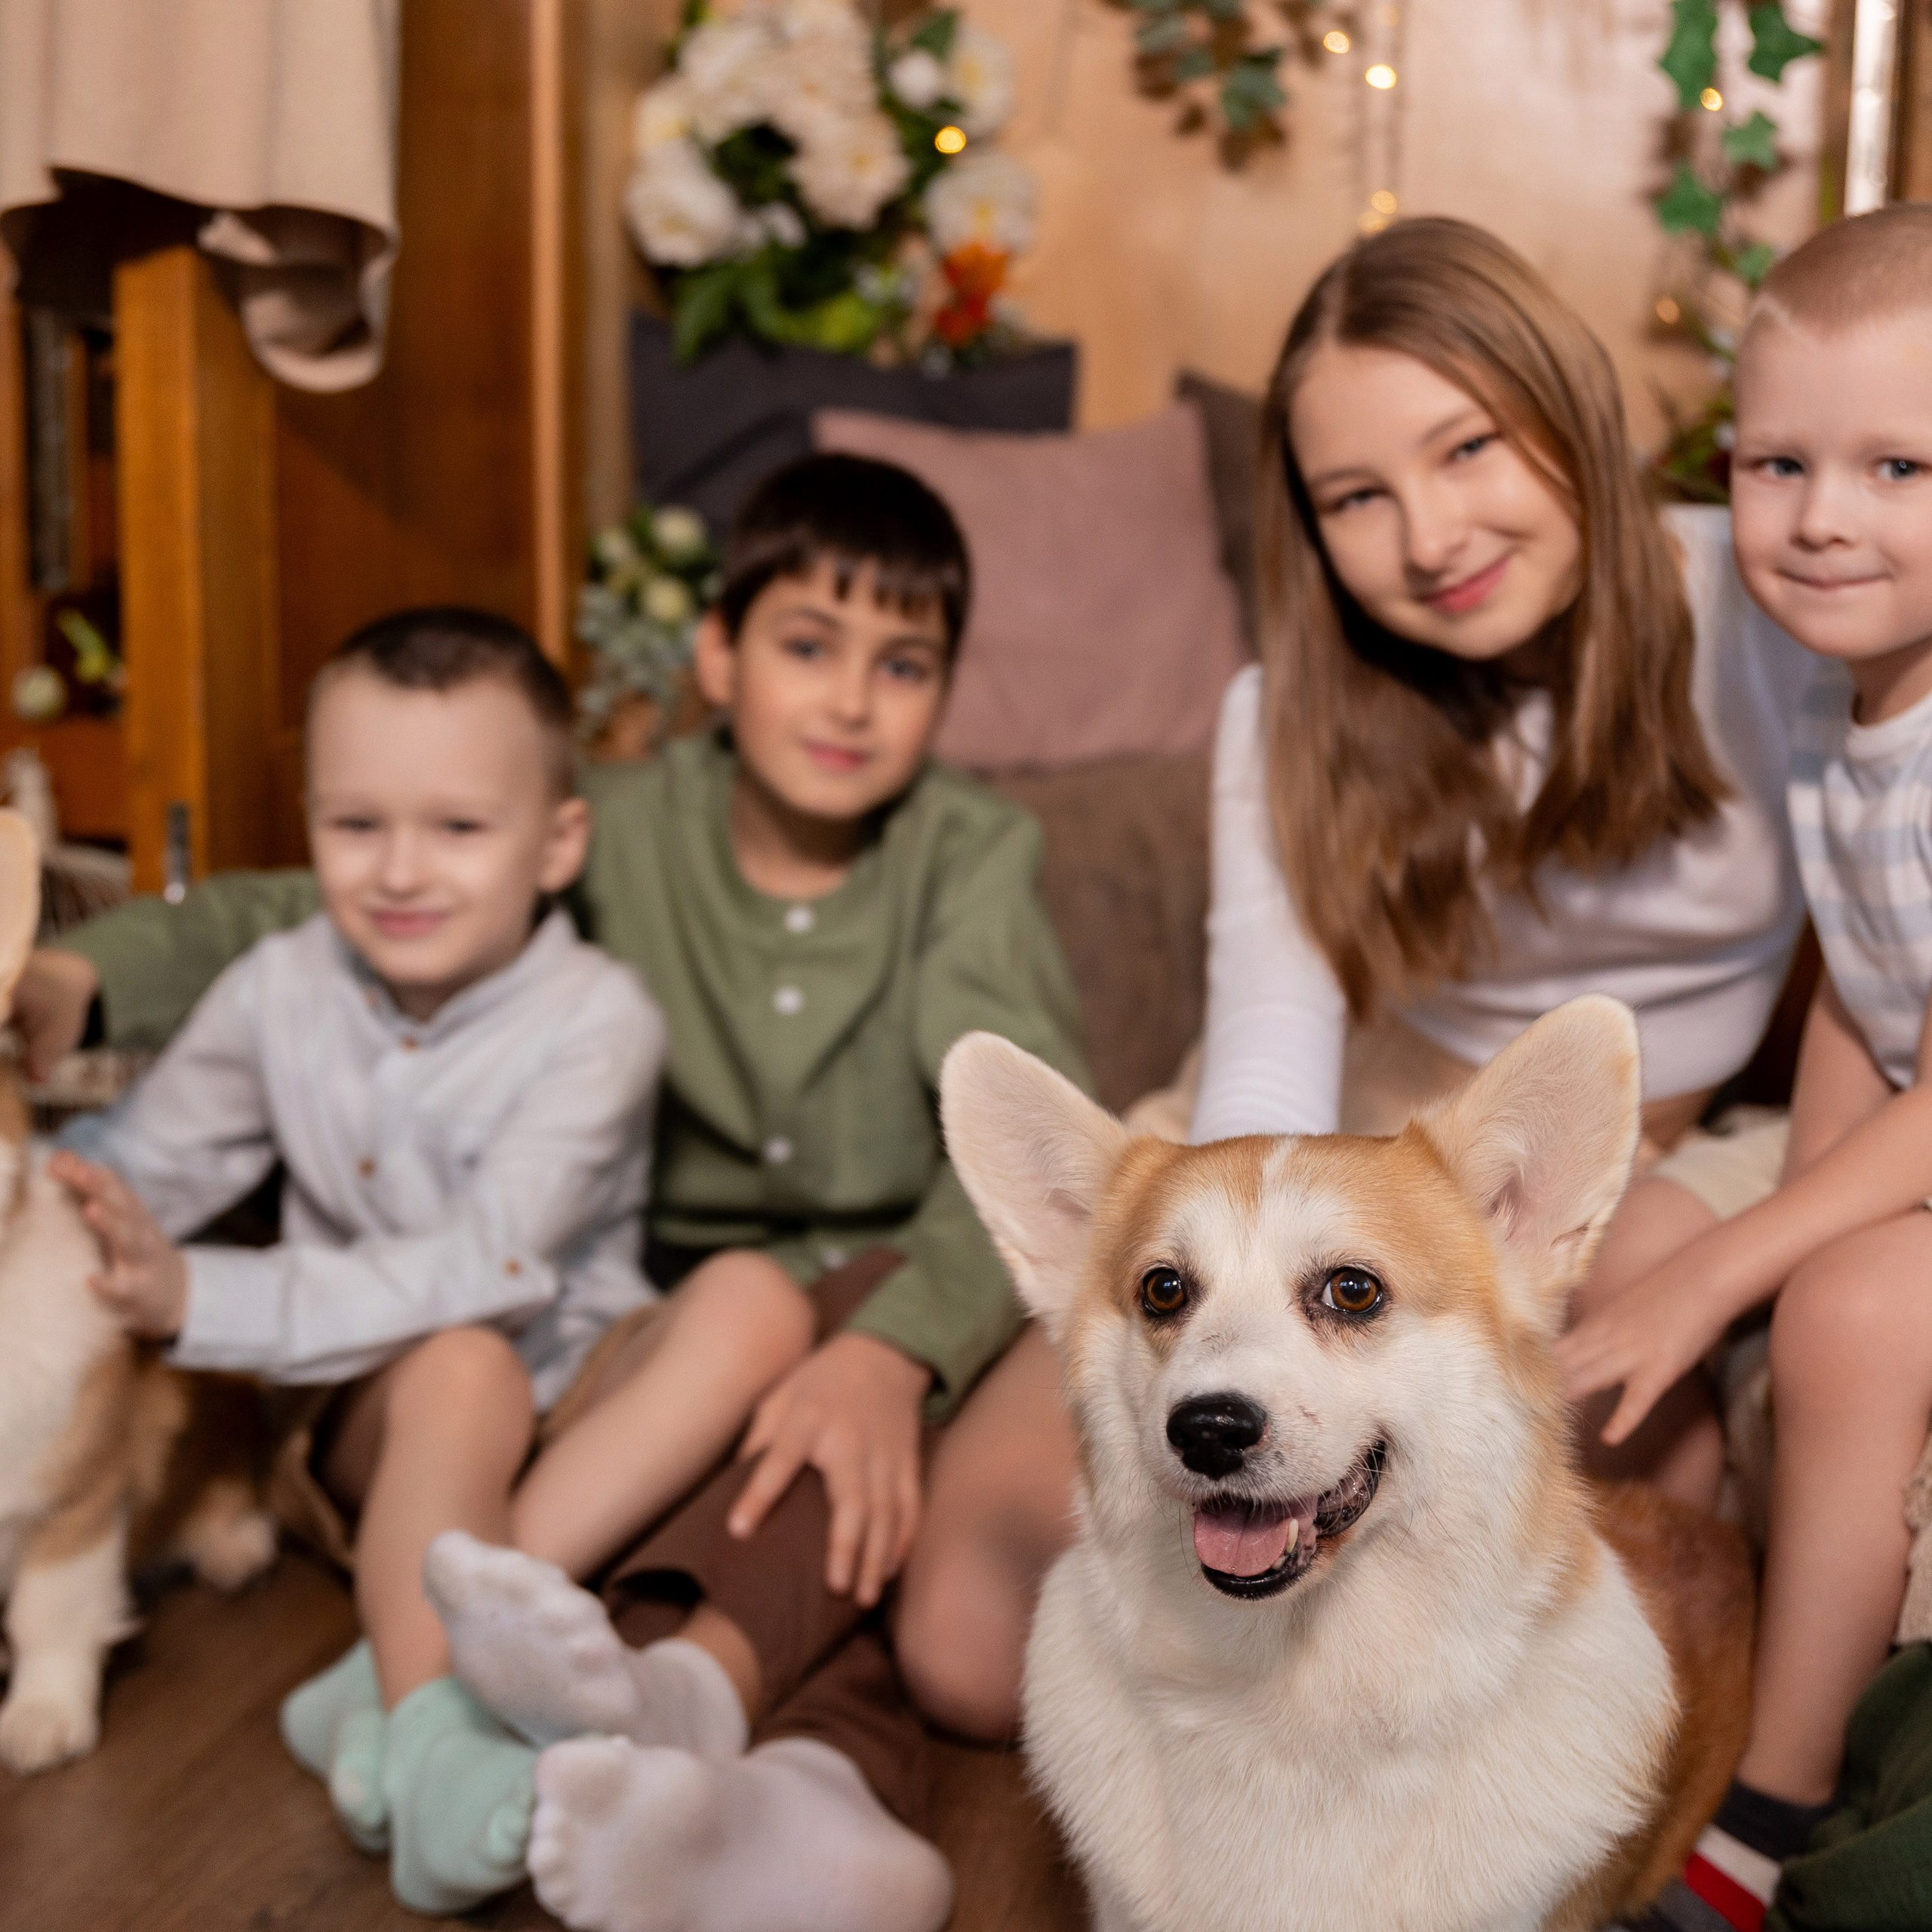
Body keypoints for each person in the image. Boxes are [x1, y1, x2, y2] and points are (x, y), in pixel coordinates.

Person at [17, 453, 1089, 1932]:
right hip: (643, 1326)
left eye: (901, 666)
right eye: (805, 646)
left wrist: (896, 1350)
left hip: (868, 1284)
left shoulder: (971, 851)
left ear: (945, 690)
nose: (850, 701)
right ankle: (781, 1773)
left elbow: (1018, 1136)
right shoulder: (610, 818)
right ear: (715, 657)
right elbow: (327, 906)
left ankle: (748, 1768)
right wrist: (84, 974)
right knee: (755, 1437)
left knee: (842, 1453)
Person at [885, 214, 1815, 1746]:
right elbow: (1269, 1043)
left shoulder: (1771, 611)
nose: (1428, 535)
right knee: (971, 1648)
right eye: (1356, 497)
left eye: (1468, 449)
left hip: (1588, 1160)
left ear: (1568, 408)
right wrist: (1236, 1298)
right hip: (1300, 1155)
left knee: (1576, 1597)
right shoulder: (1290, 714)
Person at [43, 608, 819, 1912]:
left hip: (576, 1391)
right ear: (311, 823)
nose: (401, 871)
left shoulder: (602, 1021)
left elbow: (491, 1262)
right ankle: (434, 1738)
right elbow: (141, 1170)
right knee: (461, 1367)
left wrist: (199, 1294)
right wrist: (75, 1202)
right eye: (357, 825)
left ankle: (394, 1666)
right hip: (379, 1404)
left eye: (458, 828)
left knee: (760, 1299)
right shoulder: (280, 987)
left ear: (556, 844)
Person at [1558, 203, 1932, 1932]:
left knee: (1842, 1309)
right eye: (1777, 464)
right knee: (1636, 1234)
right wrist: (1763, 1217)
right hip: (1896, 1117)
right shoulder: (1828, 687)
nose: (1819, 517)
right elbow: (1866, 982)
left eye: (1896, 468)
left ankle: (1767, 1804)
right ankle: (1662, 1658)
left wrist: (1759, 1265)